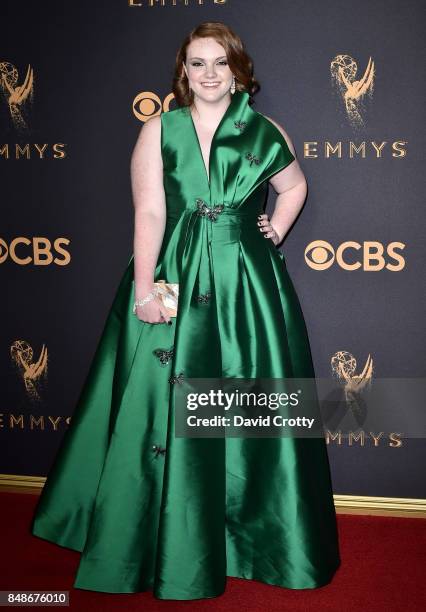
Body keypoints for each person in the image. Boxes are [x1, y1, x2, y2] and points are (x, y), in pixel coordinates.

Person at [31, 21, 341, 600]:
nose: (209, 74)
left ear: (238, 69)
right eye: (198, 64)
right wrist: (145, 289)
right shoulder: (160, 129)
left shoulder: (265, 130)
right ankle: (155, 535)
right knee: (161, 403)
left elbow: (294, 186)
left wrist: (277, 225)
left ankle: (255, 539)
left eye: (220, 62)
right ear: (183, 72)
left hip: (248, 281)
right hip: (175, 272)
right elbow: (149, 212)